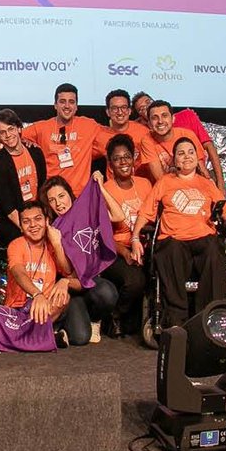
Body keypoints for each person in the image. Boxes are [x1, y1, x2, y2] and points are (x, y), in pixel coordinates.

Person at [151, 137, 226, 331]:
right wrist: (135, 238)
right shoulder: (164, 182)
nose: (186, 156)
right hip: (174, 238)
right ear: (174, 159)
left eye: (191, 152)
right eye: (181, 153)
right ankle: (175, 320)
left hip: (203, 238)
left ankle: (210, 318)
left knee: (214, 249)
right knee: (170, 250)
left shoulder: (207, 183)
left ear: (197, 158)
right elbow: (146, 212)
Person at [40, 176, 121, 343]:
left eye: (61, 196)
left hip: (90, 282)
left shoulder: (86, 211)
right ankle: (66, 322)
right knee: (80, 338)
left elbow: (118, 216)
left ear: (70, 194)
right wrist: (57, 244)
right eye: (52, 200)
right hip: (72, 287)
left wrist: (100, 187)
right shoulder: (54, 228)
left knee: (107, 293)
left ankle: (95, 319)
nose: (58, 203)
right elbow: (67, 271)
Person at [4, 201, 89, 349]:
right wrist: (37, 294)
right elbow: (18, 272)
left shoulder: (53, 246)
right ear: (21, 227)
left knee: (64, 298)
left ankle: (23, 337)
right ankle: (43, 337)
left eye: (38, 219)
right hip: (17, 309)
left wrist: (65, 281)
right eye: (26, 221)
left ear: (47, 221)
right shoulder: (16, 245)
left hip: (47, 310)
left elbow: (77, 280)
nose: (33, 225)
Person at [97, 135, 152, 334]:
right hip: (116, 250)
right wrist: (125, 252)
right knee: (135, 281)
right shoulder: (106, 190)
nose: (123, 162)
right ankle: (115, 316)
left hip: (145, 246)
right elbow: (101, 235)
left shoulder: (145, 184)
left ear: (133, 159)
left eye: (127, 157)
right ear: (110, 165)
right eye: (117, 159)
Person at [23, 83, 108, 198]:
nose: (67, 106)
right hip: (51, 195)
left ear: (76, 106)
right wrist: (26, 142)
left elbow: (114, 141)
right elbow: (12, 136)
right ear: (55, 105)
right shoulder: (42, 127)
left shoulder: (89, 126)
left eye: (71, 102)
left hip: (79, 196)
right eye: (62, 101)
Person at [138, 99, 224, 193]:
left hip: (194, 186)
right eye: (155, 118)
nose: (160, 121)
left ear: (173, 119)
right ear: (149, 124)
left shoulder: (187, 134)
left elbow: (202, 171)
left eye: (164, 116)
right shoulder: (147, 141)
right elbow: (161, 179)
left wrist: (217, 190)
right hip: (168, 190)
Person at [0, 109, 47, 247]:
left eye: (11, 129)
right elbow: (7, 206)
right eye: (2, 132)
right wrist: (27, 229)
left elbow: (43, 187)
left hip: (38, 217)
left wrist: (42, 222)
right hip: (16, 224)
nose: (8, 135)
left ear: (19, 128)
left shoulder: (35, 151)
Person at [101, 89, 151, 169]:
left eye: (123, 107)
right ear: (108, 112)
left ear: (129, 111)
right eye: (114, 108)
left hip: (140, 177)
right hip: (113, 177)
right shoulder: (100, 135)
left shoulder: (144, 132)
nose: (120, 112)